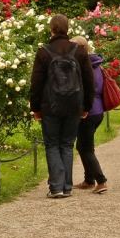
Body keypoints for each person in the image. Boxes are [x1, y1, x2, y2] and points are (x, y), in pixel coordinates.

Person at [29, 15, 94, 198]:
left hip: (51, 105)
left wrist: (35, 108)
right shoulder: (79, 51)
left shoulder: (44, 52)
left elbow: (37, 83)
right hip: (74, 104)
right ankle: (66, 186)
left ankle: (56, 187)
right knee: (67, 144)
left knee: (52, 144)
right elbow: (89, 82)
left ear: (51, 29)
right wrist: (86, 105)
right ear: (67, 29)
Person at [71, 36, 108, 193]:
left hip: (88, 112)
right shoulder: (96, 64)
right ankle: (89, 180)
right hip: (98, 111)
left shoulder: (83, 67)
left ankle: (101, 181)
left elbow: (85, 91)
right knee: (85, 146)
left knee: (85, 148)